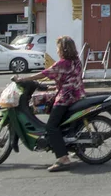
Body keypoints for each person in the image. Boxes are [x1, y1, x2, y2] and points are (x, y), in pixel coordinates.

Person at [13, 35, 86, 172]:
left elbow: (44, 73)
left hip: (65, 99)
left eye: (58, 48)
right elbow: (69, 79)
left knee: (51, 127)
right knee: (60, 123)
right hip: (77, 96)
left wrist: (23, 79)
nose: (57, 51)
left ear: (63, 49)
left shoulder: (62, 63)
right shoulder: (76, 61)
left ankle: (63, 159)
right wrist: (54, 87)